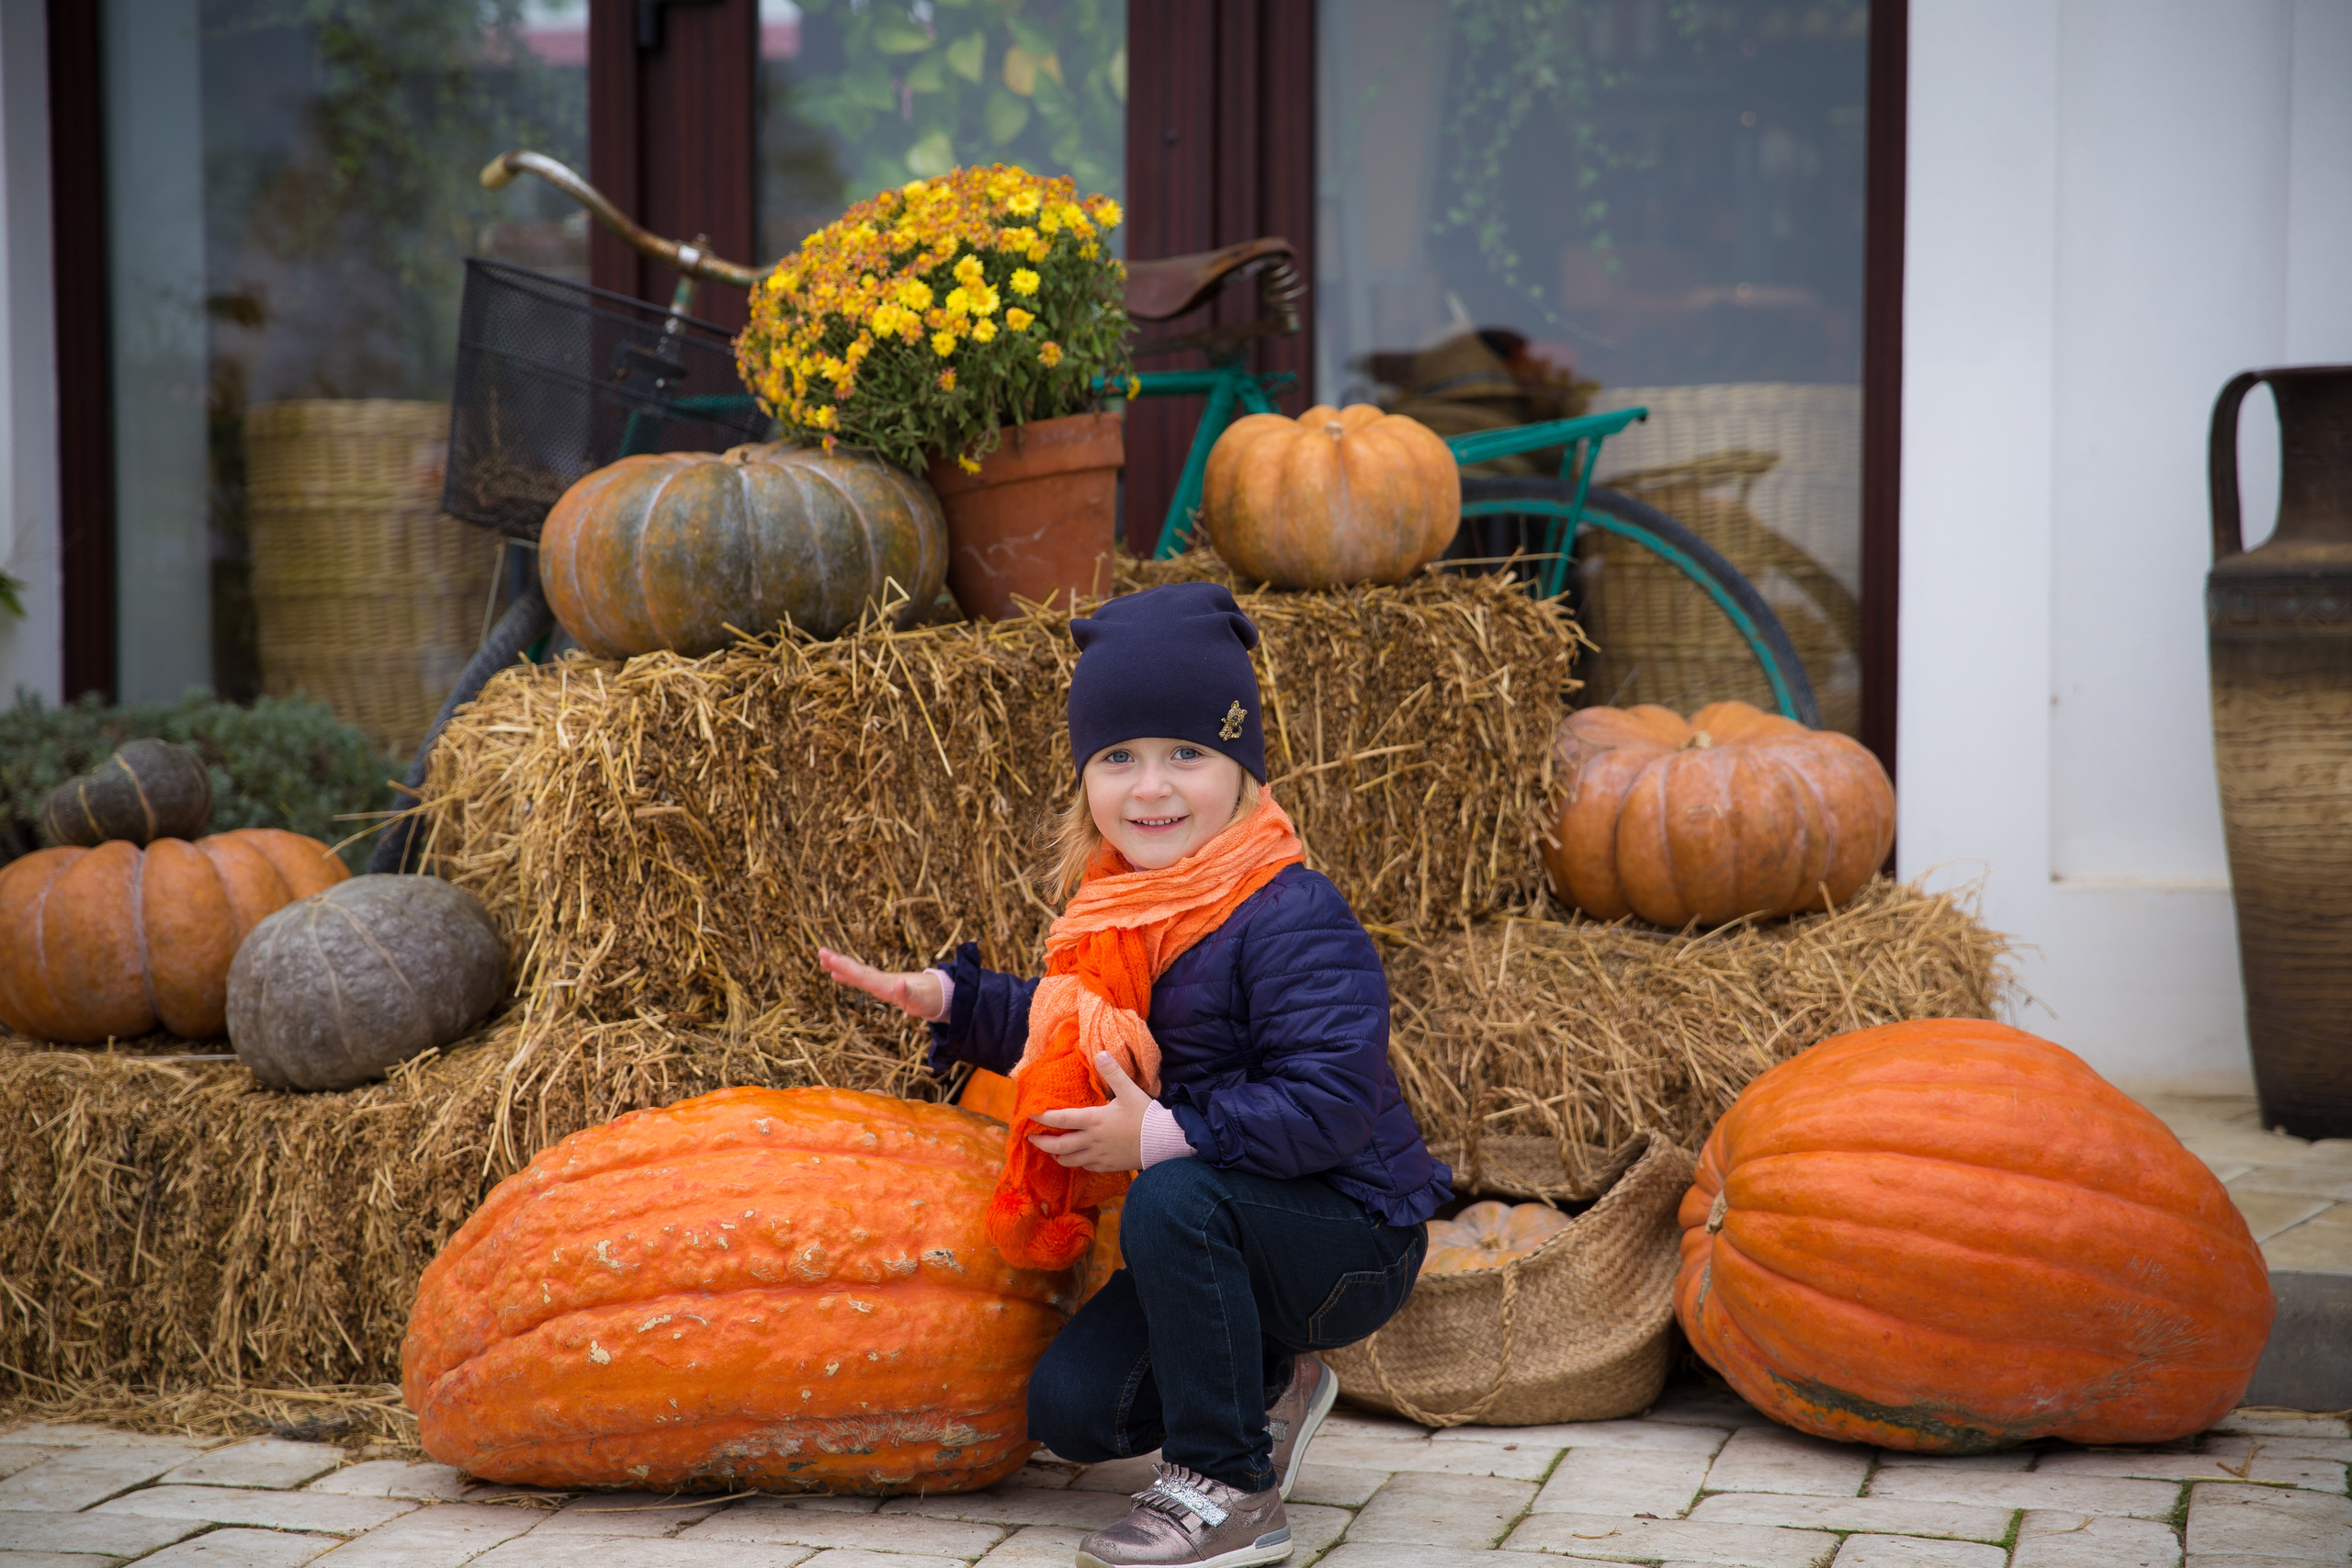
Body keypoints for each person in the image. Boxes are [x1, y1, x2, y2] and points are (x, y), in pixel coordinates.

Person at [820, 581, 1452, 1568]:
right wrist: (951, 1000)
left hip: (1348, 1235)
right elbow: (1079, 1024)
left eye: (1186, 754)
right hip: (1229, 1215)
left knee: (1171, 1195)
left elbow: (1329, 1105)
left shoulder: (1290, 913)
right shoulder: (1126, 908)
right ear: (1086, 778)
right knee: (1075, 1408)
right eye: (1118, 757)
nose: (1150, 787)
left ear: (1242, 769)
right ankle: (1273, 1386)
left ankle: (1229, 1488)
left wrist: (1159, 1135)